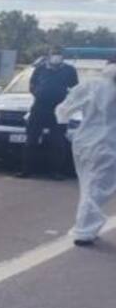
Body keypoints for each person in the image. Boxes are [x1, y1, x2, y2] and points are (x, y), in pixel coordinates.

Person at [55, 57, 116, 246]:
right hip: (108, 145)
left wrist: (63, 127)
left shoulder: (90, 85)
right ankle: (84, 231)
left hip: (83, 141)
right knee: (96, 188)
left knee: (89, 184)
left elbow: (63, 110)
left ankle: (87, 227)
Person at [21, 46, 79, 179]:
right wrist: (37, 94)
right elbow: (32, 84)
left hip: (59, 110)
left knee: (57, 142)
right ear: (48, 55)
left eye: (58, 54)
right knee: (31, 140)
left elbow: (75, 88)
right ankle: (27, 170)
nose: (56, 56)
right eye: (53, 54)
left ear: (62, 56)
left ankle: (55, 172)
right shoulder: (40, 68)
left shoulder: (69, 70)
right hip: (39, 107)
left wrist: (67, 102)